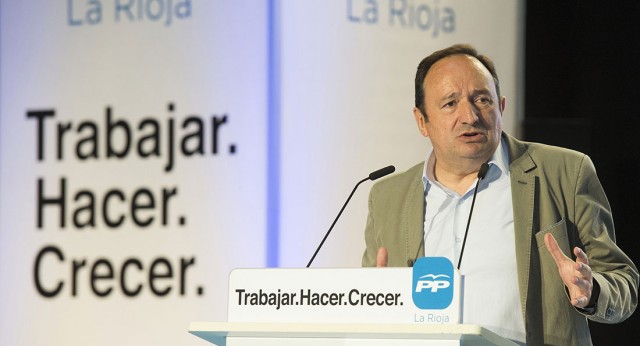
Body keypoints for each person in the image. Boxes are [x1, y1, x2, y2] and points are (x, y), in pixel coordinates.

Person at [362, 44, 638, 345]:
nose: (469, 116)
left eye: (482, 100)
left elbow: (622, 281)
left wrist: (592, 289)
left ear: (501, 107)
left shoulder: (566, 172)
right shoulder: (387, 197)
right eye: (450, 103)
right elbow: (371, 297)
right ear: (421, 121)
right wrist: (376, 302)